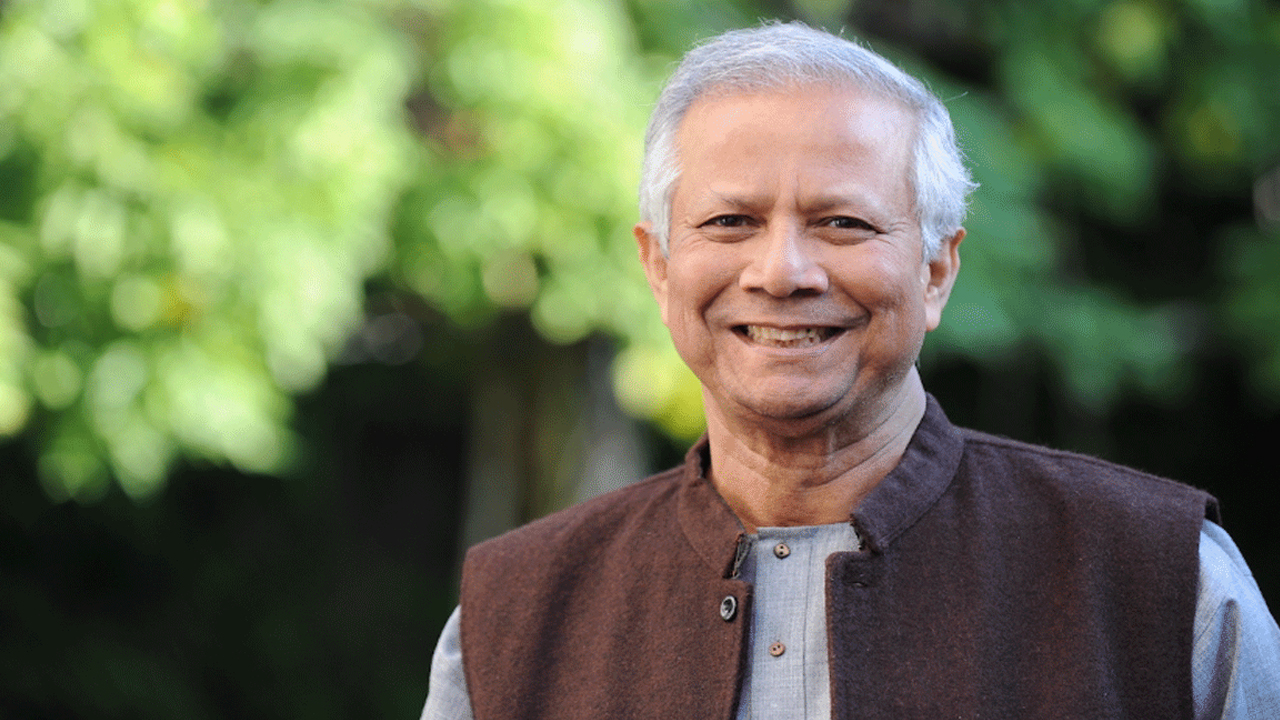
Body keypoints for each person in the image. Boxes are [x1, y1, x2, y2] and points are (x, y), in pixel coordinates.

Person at [422, 21, 1280, 719]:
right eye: (729, 222)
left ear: (938, 270)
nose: (782, 271)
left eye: (842, 222)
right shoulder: (513, 618)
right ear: (658, 267)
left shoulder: (1164, 582)